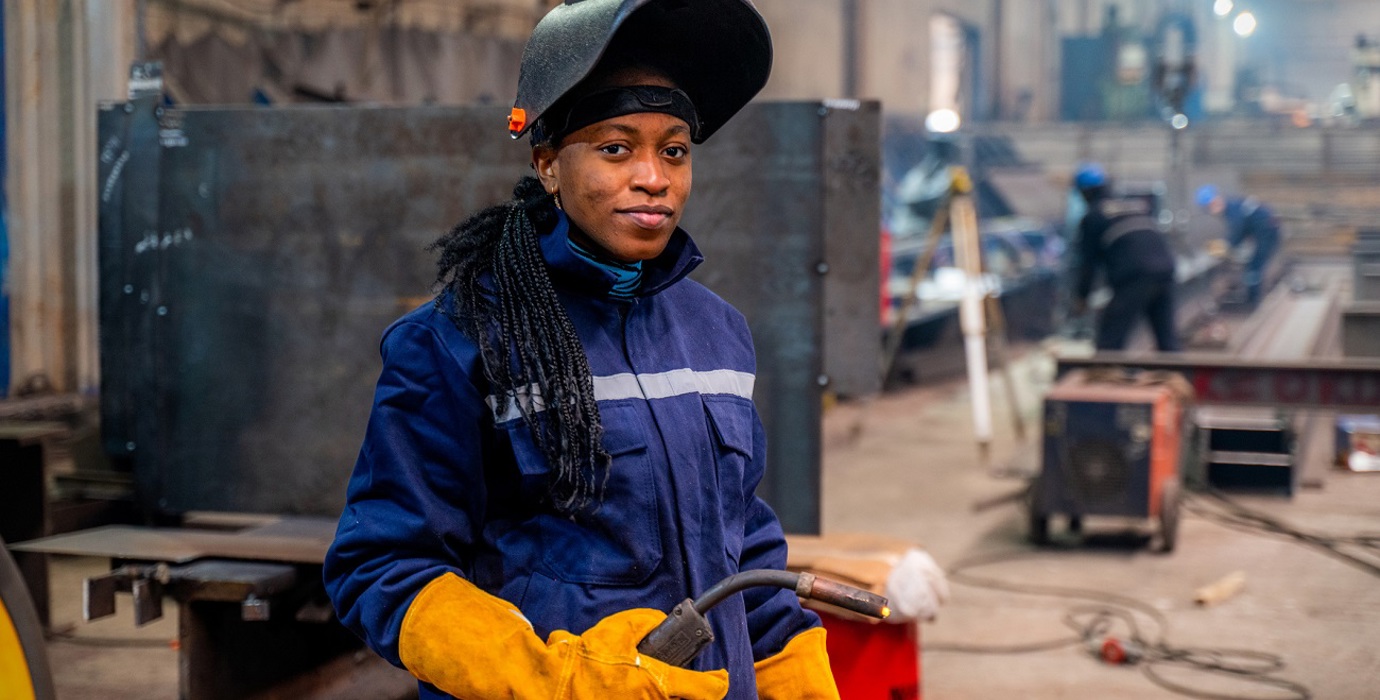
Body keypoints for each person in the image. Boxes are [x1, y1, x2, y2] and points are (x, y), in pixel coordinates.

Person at [322, 2, 838, 699]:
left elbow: (741, 541)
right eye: (616, 148)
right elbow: (380, 565)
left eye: (674, 150)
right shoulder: (457, 340)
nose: (653, 177)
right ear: (549, 165)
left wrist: (794, 679)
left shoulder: (718, 332)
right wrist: (555, 679)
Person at [1071, 163, 1181, 352]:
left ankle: (1105, 377)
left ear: (1084, 192)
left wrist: (1082, 297)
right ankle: (1178, 375)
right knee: (1167, 340)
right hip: (1166, 269)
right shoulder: (1135, 206)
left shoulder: (1093, 216)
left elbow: (1088, 264)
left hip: (1135, 275)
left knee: (1109, 341)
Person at [1195, 184, 1281, 304]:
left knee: (1254, 267)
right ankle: (1252, 296)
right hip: (1267, 230)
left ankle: (1252, 301)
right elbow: (1242, 230)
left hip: (1267, 232)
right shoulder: (1233, 206)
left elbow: (1238, 230)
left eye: (1212, 205)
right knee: (1254, 265)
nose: (1213, 209)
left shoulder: (1232, 210)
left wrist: (1227, 246)